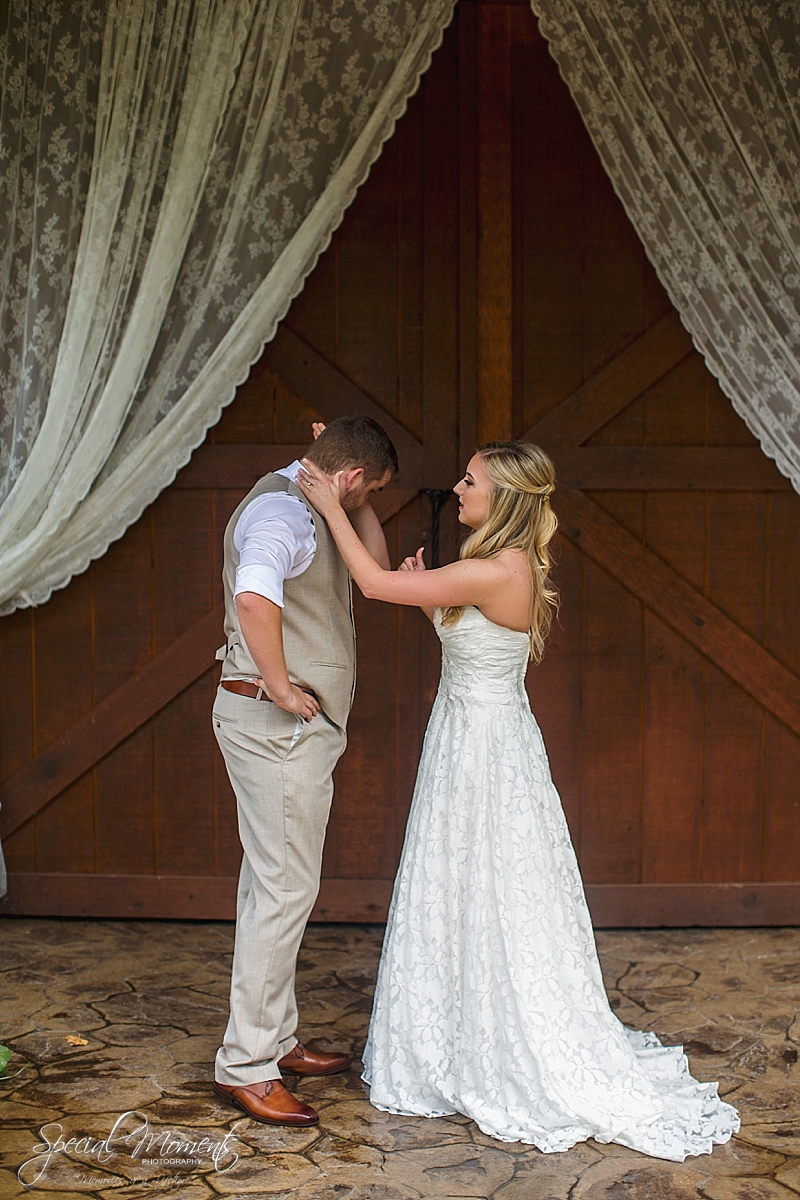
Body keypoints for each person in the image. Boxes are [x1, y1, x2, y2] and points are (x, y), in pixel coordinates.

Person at [297, 440, 739, 1161]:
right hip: (473, 740)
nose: (459, 487)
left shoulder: (493, 568)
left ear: (501, 499)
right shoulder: (497, 569)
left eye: (470, 481)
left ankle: (493, 1044)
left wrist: (329, 506)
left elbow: (372, 585)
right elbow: (440, 616)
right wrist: (405, 565)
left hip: (483, 753)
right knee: (472, 885)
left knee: (491, 886)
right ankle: (464, 1035)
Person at [212, 414, 397, 1128]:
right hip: (273, 726)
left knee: (273, 884)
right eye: (367, 488)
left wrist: (356, 492)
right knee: (285, 890)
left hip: (282, 733)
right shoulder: (281, 513)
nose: (364, 500)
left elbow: (371, 565)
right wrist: (284, 686)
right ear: (348, 477)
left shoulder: (313, 504)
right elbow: (254, 598)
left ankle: (276, 1040)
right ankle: (248, 1066)